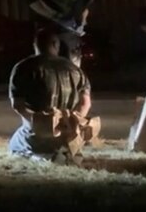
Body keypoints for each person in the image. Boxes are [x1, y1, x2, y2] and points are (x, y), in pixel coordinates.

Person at [8, 28, 98, 163]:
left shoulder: (23, 68)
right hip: (68, 135)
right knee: (63, 146)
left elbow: (17, 105)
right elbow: (85, 103)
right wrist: (71, 124)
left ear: (35, 45)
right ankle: (65, 153)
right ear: (56, 45)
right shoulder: (76, 70)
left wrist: (40, 124)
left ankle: (44, 158)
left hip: (38, 135)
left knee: (14, 145)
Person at [28, 0, 115, 67]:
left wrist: (82, 21)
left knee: (71, 72)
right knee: (49, 70)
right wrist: (58, 19)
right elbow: (33, 0)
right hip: (49, 34)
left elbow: (83, 9)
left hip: (70, 36)